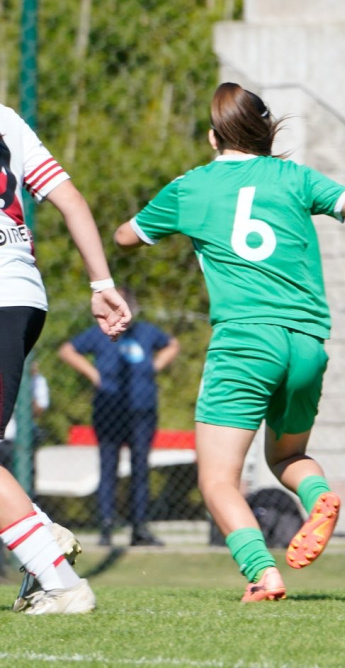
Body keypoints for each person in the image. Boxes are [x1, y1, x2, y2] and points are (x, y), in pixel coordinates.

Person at [113, 82, 345, 602]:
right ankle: (318, 495)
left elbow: (127, 236)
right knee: (286, 456)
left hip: (244, 343)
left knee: (217, 479)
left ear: (214, 138)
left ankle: (263, 574)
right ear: (264, 131)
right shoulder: (293, 177)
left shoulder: (192, 187)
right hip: (306, 344)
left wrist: (157, 226)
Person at [0, 101, 132, 614]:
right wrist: (101, 285)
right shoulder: (6, 117)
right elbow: (70, 199)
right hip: (24, 295)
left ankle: (61, 581)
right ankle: (42, 539)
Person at [59, 287, 180, 547]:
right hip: (108, 409)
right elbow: (67, 350)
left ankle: (140, 527)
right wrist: (94, 375)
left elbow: (172, 344)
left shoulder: (146, 332)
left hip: (142, 410)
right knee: (108, 466)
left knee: (140, 468)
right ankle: (106, 526)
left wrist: (154, 367)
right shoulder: (100, 333)